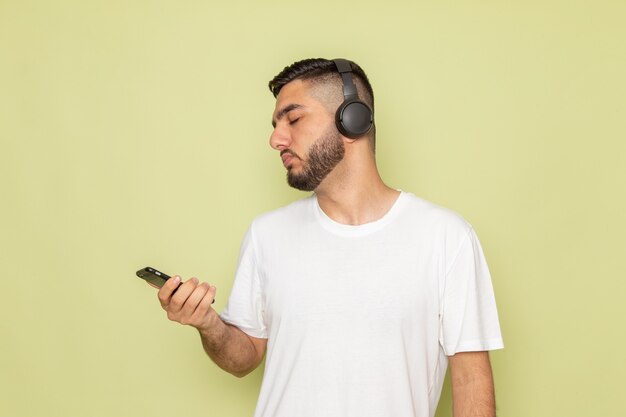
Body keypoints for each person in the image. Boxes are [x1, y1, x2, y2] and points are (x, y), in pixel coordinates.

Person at [155, 58, 504, 417]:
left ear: (352, 119)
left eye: (293, 119)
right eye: (276, 124)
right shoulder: (267, 235)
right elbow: (245, 357)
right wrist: (208, 324)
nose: (276, 139)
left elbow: (471, 381)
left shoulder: (446, 237)